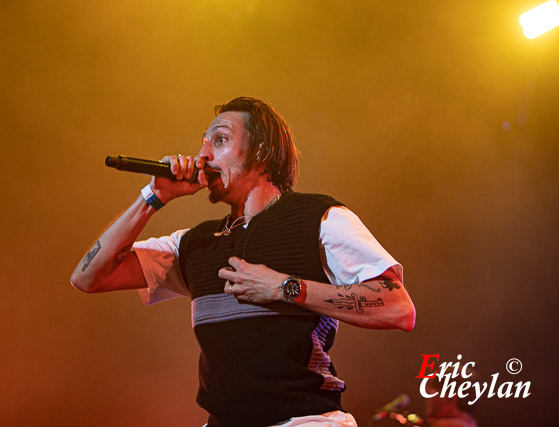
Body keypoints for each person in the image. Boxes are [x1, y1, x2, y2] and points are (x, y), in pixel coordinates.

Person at [70, 97, 416, 427]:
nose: (203, 155)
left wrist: (285, 288)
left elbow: (398, 307)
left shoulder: (319, 217)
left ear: (261, 150)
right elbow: (89, 278)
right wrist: (153, 197)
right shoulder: (193, 242)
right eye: (203, 144)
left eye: (220, 140)